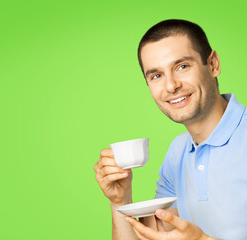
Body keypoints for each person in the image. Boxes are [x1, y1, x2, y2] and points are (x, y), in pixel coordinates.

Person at [94, 19, 247, 240]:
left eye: (182, 66)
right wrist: (120, 200)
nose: (171, 86)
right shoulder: (178, 152)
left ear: (213, 64)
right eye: (156, 75)